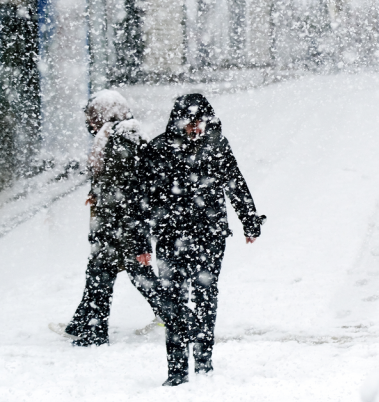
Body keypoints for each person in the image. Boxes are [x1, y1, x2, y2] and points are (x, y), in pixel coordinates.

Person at [133, 93, 264, 386]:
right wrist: (141, 242)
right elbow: (141, 198)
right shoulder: (158, 149)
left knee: (207, 294)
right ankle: (177, 369)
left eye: (200, 122)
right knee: (172, 297)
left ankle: (204, 361)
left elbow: (235, 183)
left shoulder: (217, 145)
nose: (196, 128)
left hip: (210, 234)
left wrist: (250, 221)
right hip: (170, 235)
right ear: (178, 121)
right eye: (191, 122)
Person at [50, 90, 164, 346]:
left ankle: (95, 331)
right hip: (118, 224)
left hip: (120, 226)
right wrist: (97, 193)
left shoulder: (119, 139)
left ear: (106, 113)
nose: (89, 123)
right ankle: (83, 326)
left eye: (92, 116)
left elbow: (125, 187)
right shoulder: (115, 136)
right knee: (104, 275)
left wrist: (107, 205)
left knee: (115, 274)